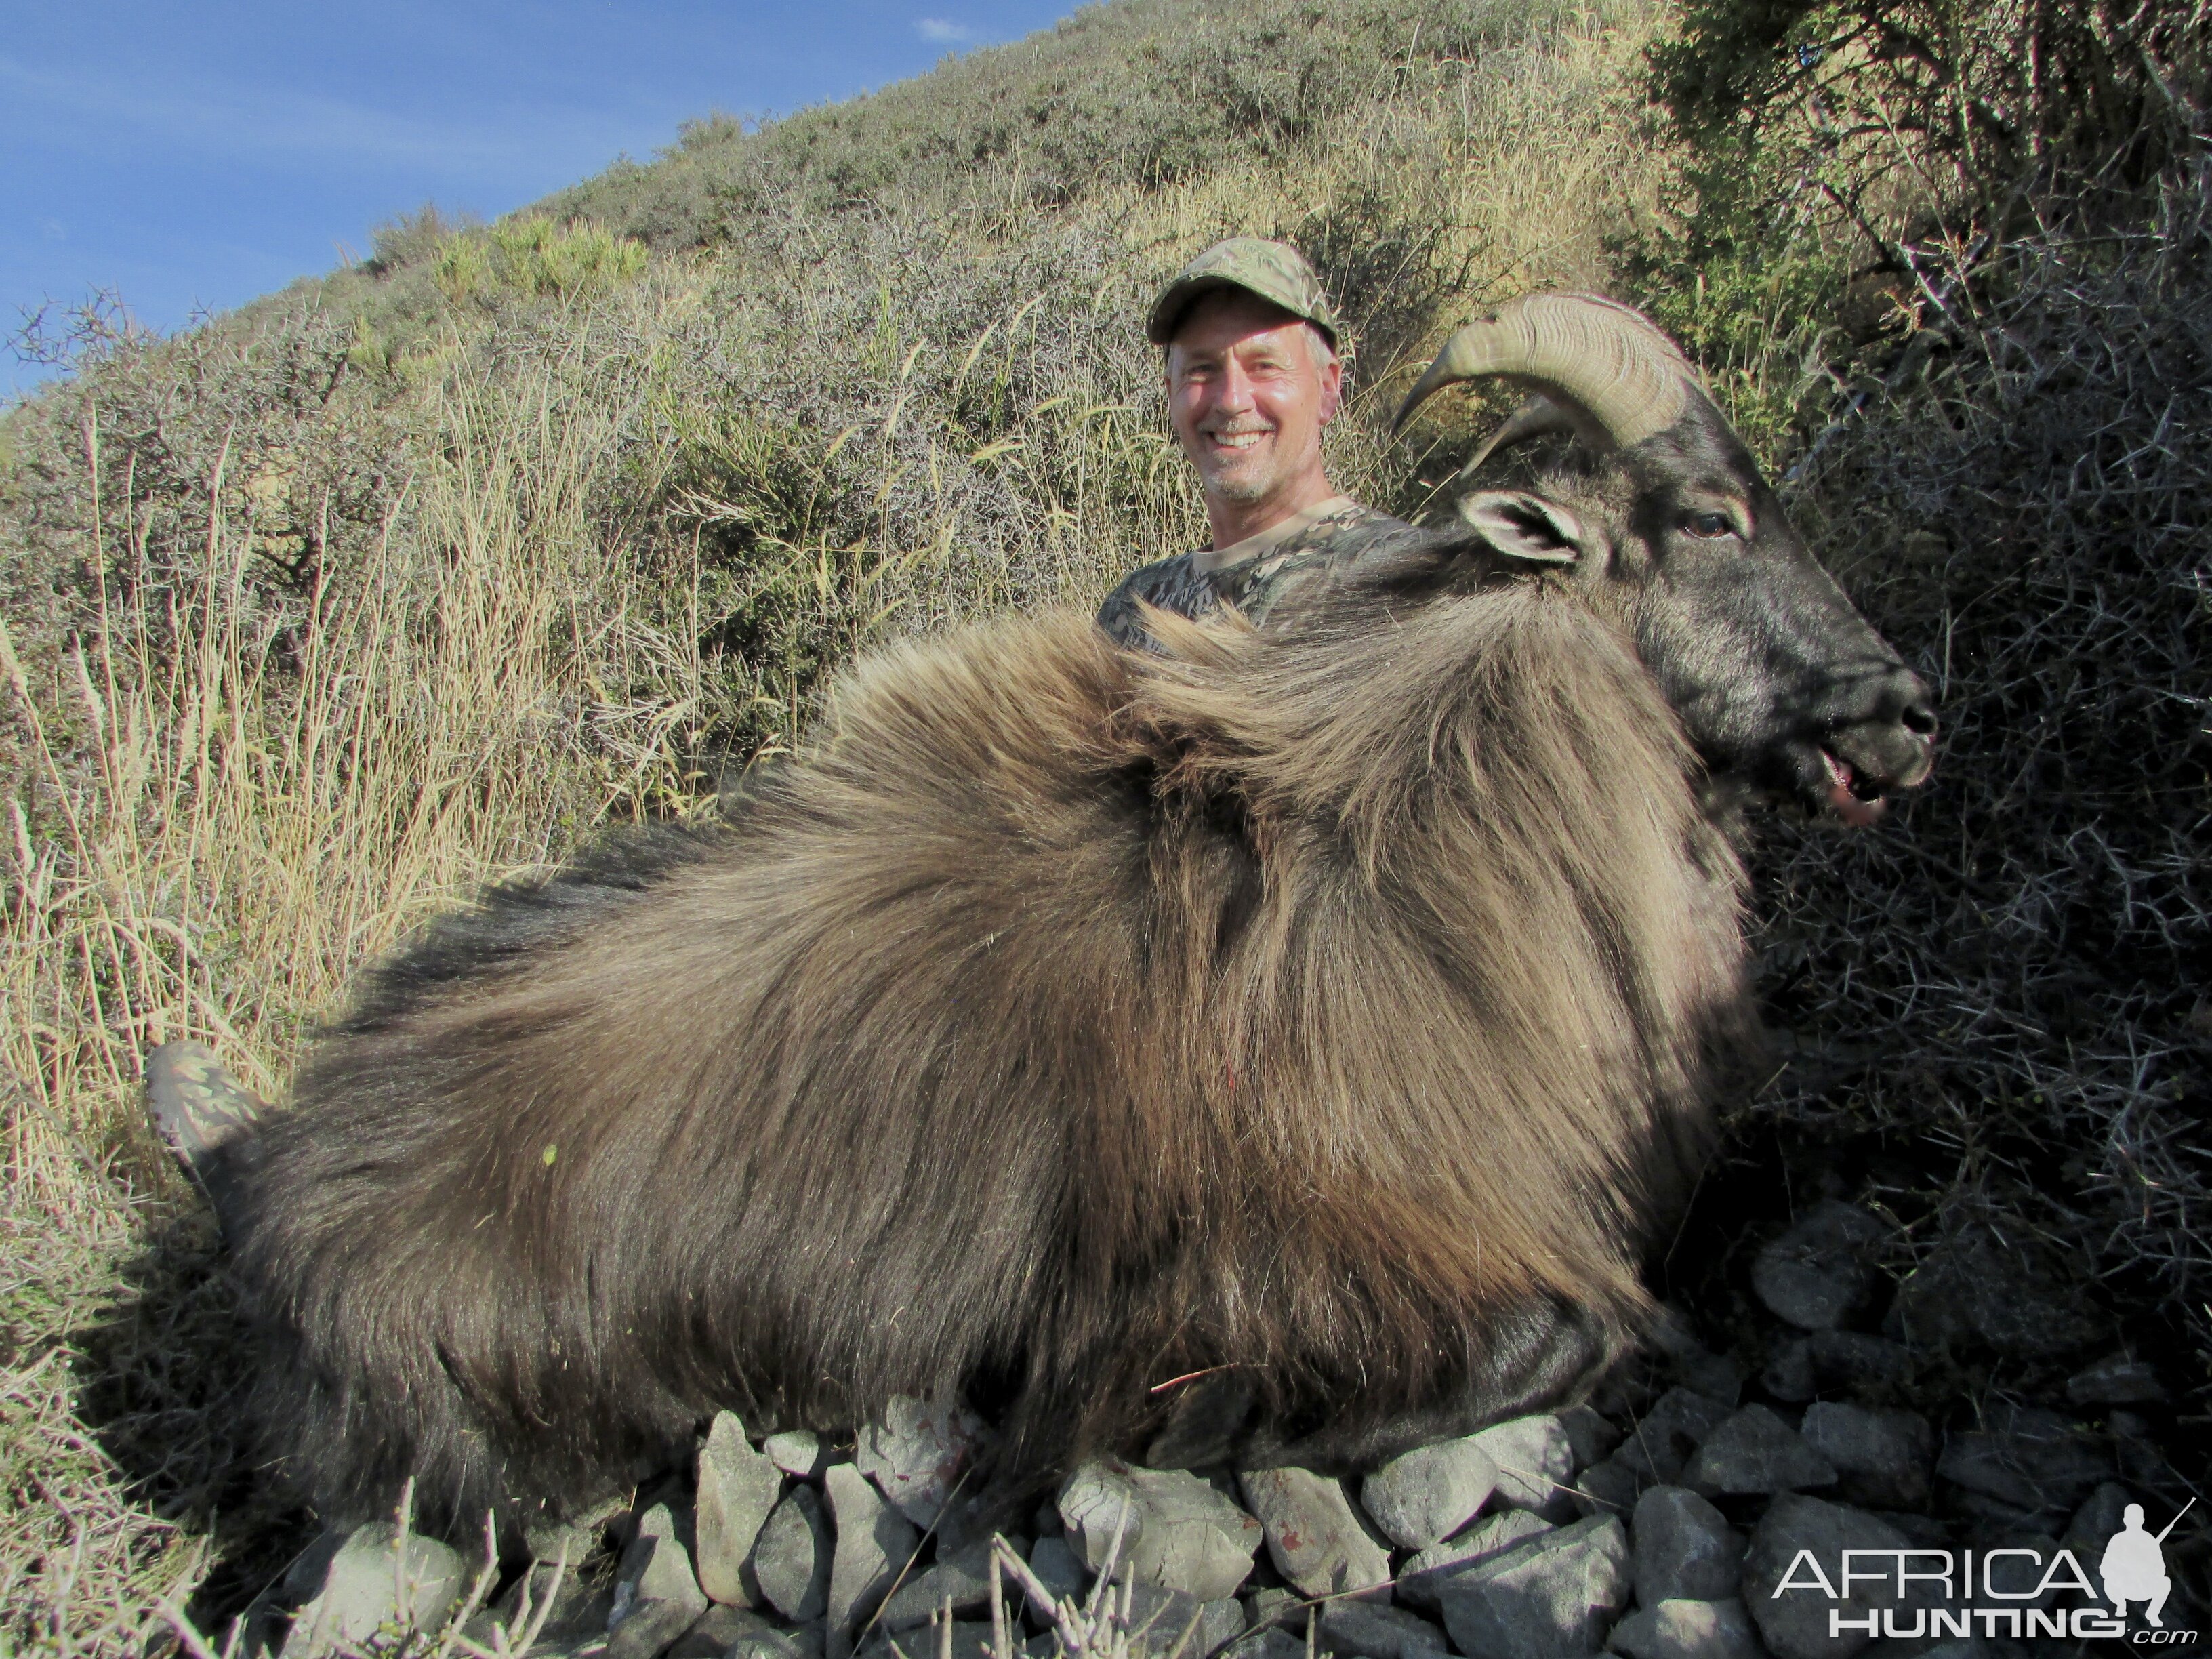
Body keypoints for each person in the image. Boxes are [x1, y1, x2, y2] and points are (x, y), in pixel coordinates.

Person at [1096, 237, 1425, 651]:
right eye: (1202, 370)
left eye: (1265, 367)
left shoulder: (1405, 579)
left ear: (1327, 388)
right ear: (1170, 392)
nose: (1232, 400)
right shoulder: (1136, 609)